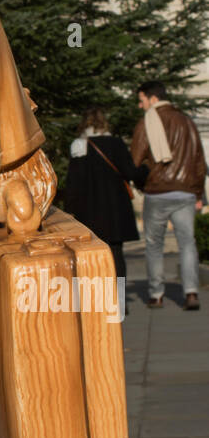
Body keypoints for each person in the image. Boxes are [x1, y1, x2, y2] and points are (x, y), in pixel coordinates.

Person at [131, 81, 206, 310]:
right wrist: (198, 193)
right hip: (184, 193)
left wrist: (140, 181)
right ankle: (191, 293)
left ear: (153, 99)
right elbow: (199, 160)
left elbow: (134, 159)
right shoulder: (187, 122)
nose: (140, 105)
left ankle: (156, 295)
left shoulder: (147, 123)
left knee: (154, 245)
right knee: (188, 244)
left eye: (141, 100)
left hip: (157, 192)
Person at [64, 107, 147, 307]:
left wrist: (70, 210)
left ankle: (98, 299)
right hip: (116, 210)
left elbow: (73, 183)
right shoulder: (115, 143)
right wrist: (145, 170)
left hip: (89, 212)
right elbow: (130, 171)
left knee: (92, 256)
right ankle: (119, 300)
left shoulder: (79, 146)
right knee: (116, 255)